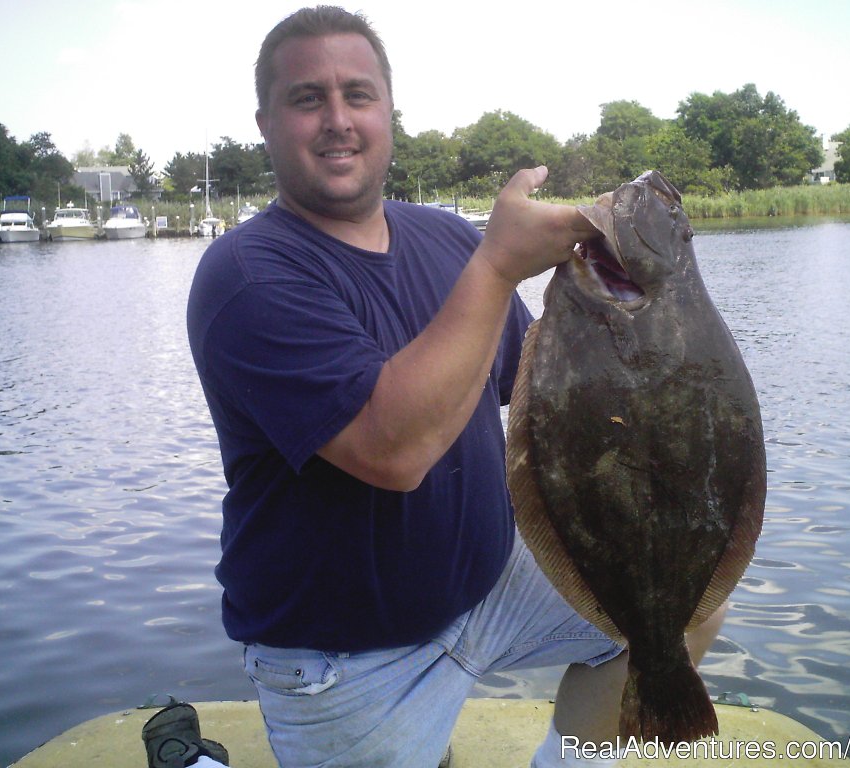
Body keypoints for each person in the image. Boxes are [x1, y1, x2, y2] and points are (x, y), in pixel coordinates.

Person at [186, 6, 726, 767]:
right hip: (345, 657)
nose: (338, 119)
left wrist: (644, 350)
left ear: (389, 113)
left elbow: (541, 389)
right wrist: (499, 264)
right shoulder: (246, 276)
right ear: (266, 123)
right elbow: (394, 449)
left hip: (493, 588)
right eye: (308, 99)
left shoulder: (442, 237)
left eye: (358, 95)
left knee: (680, 607)